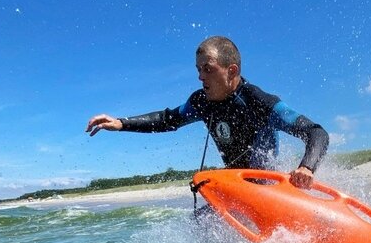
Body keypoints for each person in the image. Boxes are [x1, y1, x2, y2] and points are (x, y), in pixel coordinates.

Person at [85, 36, 329, 189]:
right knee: (200, 223)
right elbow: (168, 119)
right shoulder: (201, 101)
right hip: (236, 185)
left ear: (231, 70)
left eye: (207, 69)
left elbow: (316, 132)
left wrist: (306, 167)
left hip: (268, 188)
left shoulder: (257, 101)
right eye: (198, 69)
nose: (200, 76)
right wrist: (120, 123)